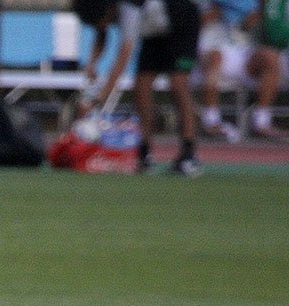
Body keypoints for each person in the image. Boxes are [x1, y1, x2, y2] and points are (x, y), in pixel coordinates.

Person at [75, 0, 204, 175]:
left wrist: (98, 98)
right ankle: (144, 152)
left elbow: (123, 57)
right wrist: (91, 64)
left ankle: (188, 153)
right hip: (153, 33)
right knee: (141, 88)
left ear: (107, 10)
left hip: (182, 23)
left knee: (178, 85)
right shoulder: (104, 9)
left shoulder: (129, 9)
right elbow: (101, 33)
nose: (105, 25)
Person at [198, 0, 285, 138]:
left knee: (271, 57)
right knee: (215, 57)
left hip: (242, 50)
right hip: (212, 47)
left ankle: (261, 122)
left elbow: (253, 24)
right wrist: (216, 12)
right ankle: (211, 122)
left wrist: (256, 16)